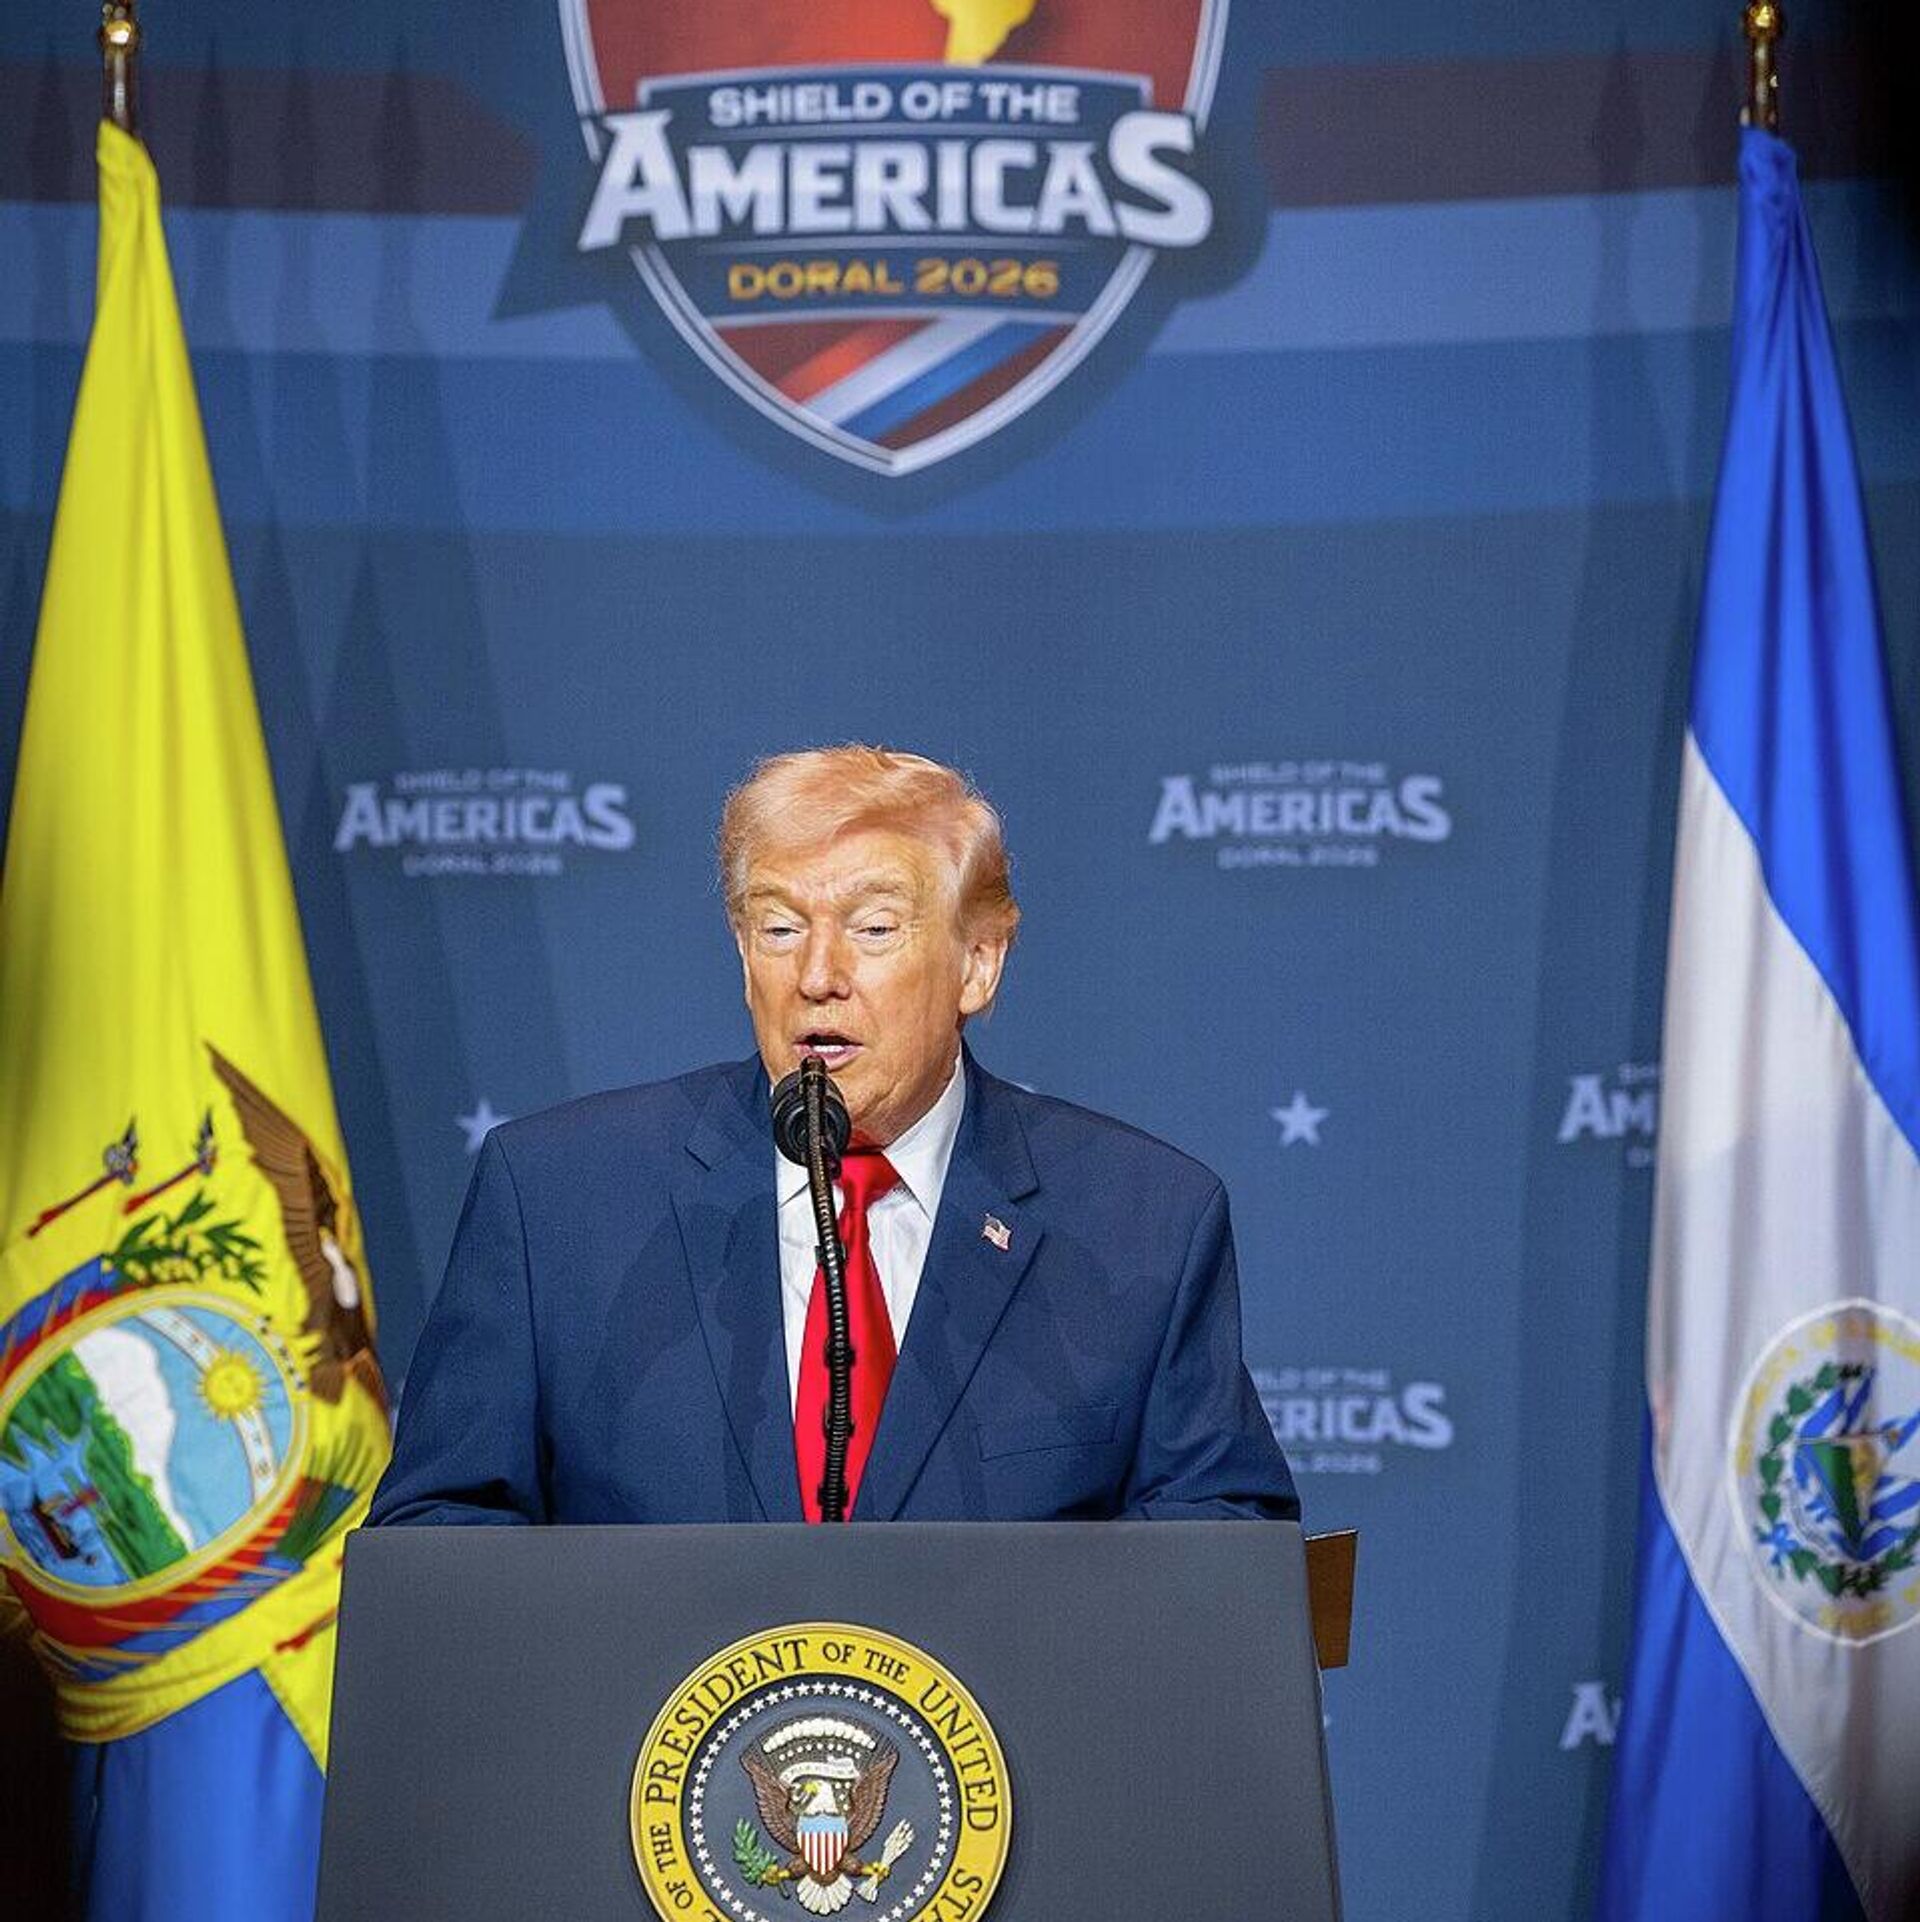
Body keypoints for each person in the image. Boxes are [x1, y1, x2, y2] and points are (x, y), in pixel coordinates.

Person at [369, 746, 1296, 1528]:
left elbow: (1221, 1560)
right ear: (744, 956)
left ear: (977, 963)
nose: (817, 974)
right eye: (778, 928)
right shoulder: (560, 1199)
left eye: (874, 927)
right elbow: (441, 1537)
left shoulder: (1142, 1222)